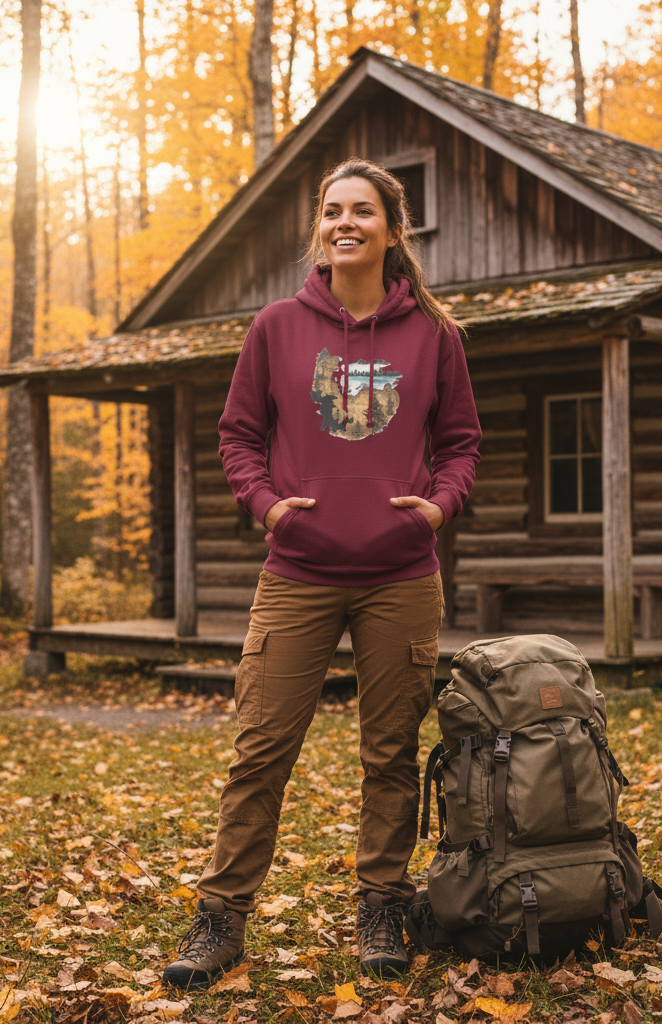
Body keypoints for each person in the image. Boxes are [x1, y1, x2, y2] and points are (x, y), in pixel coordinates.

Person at [162, 157, 480, 989]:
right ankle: (220, 919)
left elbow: (461, 444)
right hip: (297, 572)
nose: (346, 223)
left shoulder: (434, 334)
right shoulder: (275, 326)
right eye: (333, 210)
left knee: (391, 752)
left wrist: (440, 508)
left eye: (363, 211)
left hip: (402, 576)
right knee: (261, 749)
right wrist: (266, 505)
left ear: (391, 229)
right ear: (321, 227)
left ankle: (382, 904)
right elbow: (237, 435)